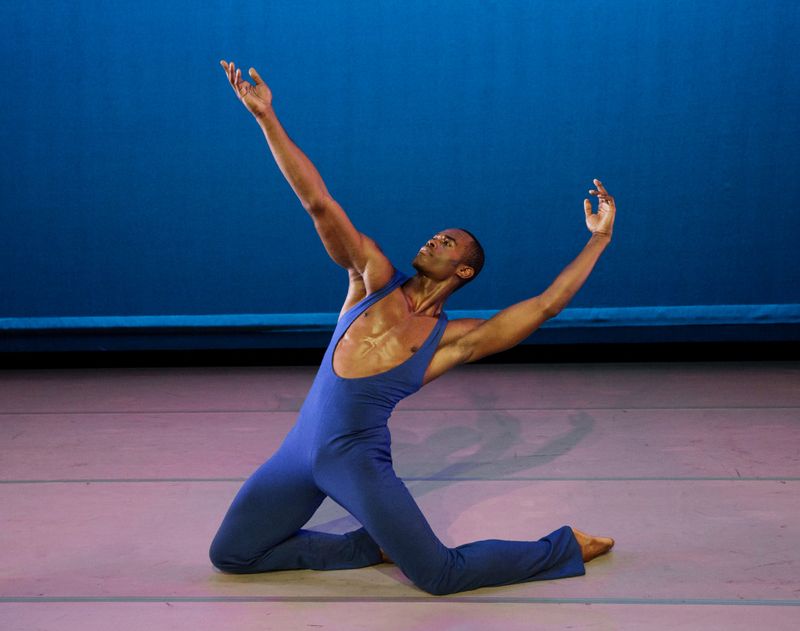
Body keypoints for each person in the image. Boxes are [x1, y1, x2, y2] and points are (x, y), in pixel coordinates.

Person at [209, 60, 616, 596]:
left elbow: (545, 306)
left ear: (464, 270)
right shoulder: (371, 277)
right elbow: (318, 202)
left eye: (448, 243)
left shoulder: (451, 340)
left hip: (355, 460)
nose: (432, 241)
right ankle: (365, 545)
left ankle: (561, 547)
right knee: (232, 554)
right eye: (433, 236)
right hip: (297, 452)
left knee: (438, 574)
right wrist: (266, 116)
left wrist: (599, 239)